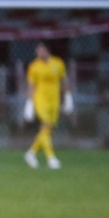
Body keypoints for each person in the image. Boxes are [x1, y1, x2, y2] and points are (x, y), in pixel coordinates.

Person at [24, 41, 73, 170]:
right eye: (37, 51)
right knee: (45, 125)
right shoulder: (34, 66)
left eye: (41, 50)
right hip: (40, 100)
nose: (39, 53)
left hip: (54, 101)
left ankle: (31, 153)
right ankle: (51, 158)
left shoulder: (58, 63)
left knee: (46, 130)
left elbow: (64, 80)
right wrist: (29, 103)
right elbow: (31, 85)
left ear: (47, 51)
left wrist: (68, 97)